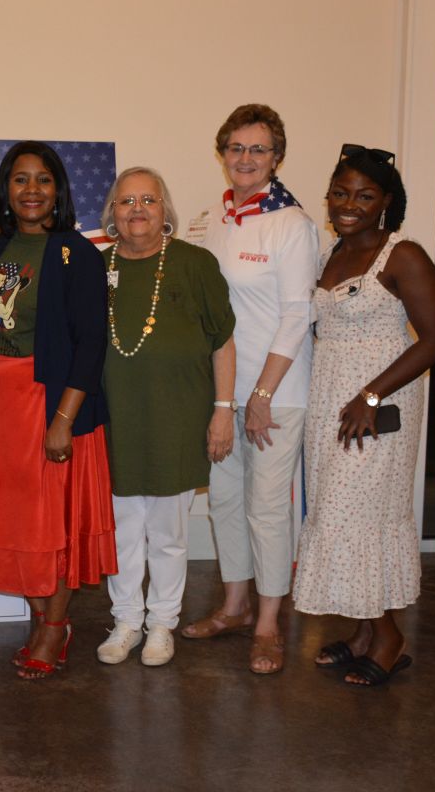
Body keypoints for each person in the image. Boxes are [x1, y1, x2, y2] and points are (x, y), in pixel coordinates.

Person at [0, 141, 117, 680]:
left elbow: (91, 344)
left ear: (59, 190)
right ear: (5, 190)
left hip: (48, 404)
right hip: (0, 408)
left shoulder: (78, 253)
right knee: (16, 524)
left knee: (55, 526)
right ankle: (42, 618)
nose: (32, 190)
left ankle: (54, 627)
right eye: (20, 179)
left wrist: (63, 420)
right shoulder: (0, 246)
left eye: (43, 180)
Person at [293, 145, 435, 686]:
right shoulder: (330, 254)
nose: (349, 204)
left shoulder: (403, 255)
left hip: (379, 404)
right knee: (339, 512)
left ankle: (388, 638)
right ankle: (363, 633)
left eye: (364, 196)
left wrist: (372, 395)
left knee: (359, 517)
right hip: (330, 402)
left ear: (386, 202)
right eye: (340, 193)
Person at [179, 103, 319, 674]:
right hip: (223, 390)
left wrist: (261, 395)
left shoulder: (292, 223)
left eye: (258, 149)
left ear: (276, 157)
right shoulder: (215, 218)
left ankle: (268, 623)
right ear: (222, 153)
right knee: (226, 501)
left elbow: (298, 315)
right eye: (236, 147)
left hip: (276, 393)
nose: (245, 158)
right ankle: (234, 607)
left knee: (266, 508)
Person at [95, 167, 237, 667]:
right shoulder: (96, 267)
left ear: (165, 210)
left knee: (169, 533)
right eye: (126, 201)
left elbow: (222, 341)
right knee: (122, 529)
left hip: (178, 416)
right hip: (115, 419)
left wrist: (223, 411)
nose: (137, 210)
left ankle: (161, 625)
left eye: (148, 200)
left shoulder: (195, 264)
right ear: (112, 213)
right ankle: (126, 621)